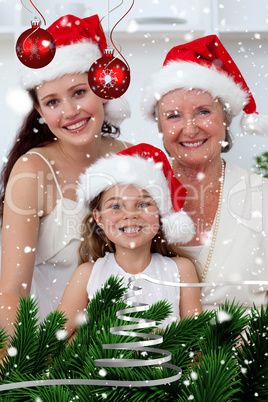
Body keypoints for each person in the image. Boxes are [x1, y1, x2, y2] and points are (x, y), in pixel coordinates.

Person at [0, 14, 131, 333]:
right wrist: (19, 367)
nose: (70, 112)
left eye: (78, 93)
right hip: (53, 359)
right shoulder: (32, 171)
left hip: (125, 350)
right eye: (52, 102)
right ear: (41, 113)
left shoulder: (132, 157)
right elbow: (13, 290)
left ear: (102, 91)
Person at [141, 35, 268, 312]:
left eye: (203, 112)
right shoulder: (137, 194)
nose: (190, 129)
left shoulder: (262, 196)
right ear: (160, 126)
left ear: (226, 118)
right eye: (173, 115)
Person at [57, 143, 202, 337]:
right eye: (116, 206)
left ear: (160, 213)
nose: (131, 214)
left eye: (143, 204)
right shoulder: (87, 275)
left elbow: (199, 343)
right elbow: (52, 343)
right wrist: (99, 340)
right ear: (99, 218)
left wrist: (160, 338)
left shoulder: (180, 271)